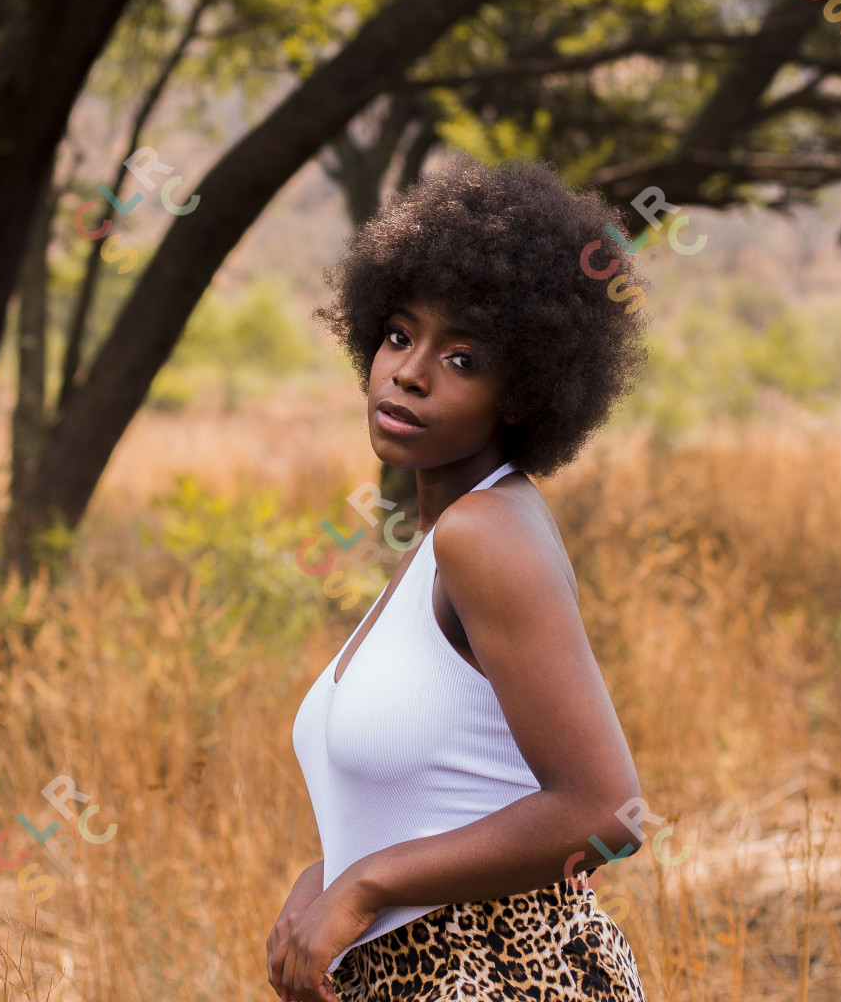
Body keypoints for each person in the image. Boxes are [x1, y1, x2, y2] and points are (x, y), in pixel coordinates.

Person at [267, 161, 657, 1002]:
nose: (409, 372)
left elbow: (608, 813)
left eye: (464, 357)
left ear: (523, 392)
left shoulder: (486, 533)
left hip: (504, 975)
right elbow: (447, 791)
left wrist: (367, 885)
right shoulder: (443, 539)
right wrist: (326, 879)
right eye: (400, 334)